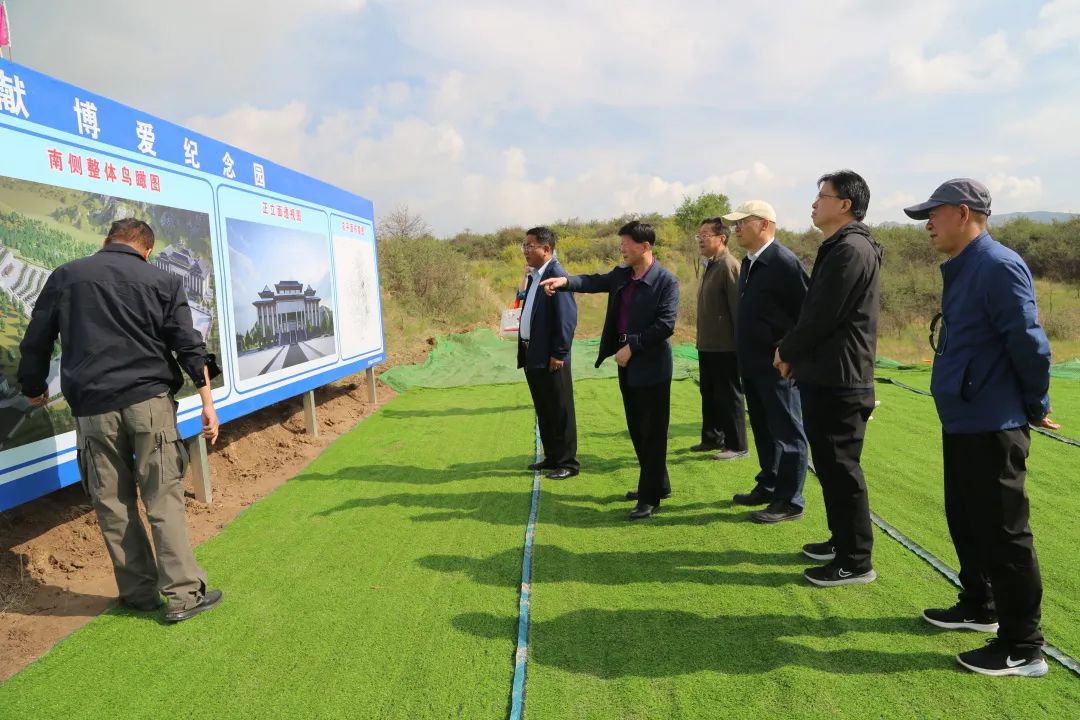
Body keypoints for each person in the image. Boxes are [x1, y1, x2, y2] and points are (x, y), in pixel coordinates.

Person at [18, 218, 223, 623]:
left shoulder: (67, 276)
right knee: (163, 497)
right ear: (146, 250)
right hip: (149, 403)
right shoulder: (162, 282)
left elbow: (37, 337)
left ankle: (138, 594)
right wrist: (207, 402)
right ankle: (183, 595)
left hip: (93, 410)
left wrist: (33, 386)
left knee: (112, 502)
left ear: (106, 241)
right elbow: (188, 346)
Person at [904, 179, 1055, 677]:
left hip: (994, 422)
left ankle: (1023, 647)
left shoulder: (997, 264)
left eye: (934, 214)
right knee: (965, 519)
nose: (927, 224)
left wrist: (1035, 404)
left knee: (1004, 534)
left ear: (963, 213)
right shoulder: (964, 268)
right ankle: (979, 606)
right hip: (964, 418)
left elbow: (1029, 343)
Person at [774, 170, 882, 587]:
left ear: (845, 205)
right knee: (832, 466)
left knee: (841, 468)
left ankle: (856, 561)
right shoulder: (840, 246)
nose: (814, 204)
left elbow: (823, 315)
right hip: (827, 373)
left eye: (822, 196)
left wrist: (787, 350)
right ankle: (842, 542)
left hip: (842, 378)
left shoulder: (851, 248)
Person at [540, 221, 679, 519]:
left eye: (627, 243)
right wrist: (564, 282)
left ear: (645, 246)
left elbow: (666, 325)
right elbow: (593, 282)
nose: (622, 249)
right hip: (626, 364)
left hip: (651, 366)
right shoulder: (622, 276)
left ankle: (650, 497)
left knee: (653, 432)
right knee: (638, 430)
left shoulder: (666, 281)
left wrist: (633, 346)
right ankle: (658, 483)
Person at [721, 201, 809, 524]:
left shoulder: (784, 262)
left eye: (743, 222)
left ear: (764, 225)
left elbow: (807, 313)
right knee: (763, 429)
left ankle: (789, 501)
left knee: (788, 432)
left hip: (777, 366)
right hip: (753, 365)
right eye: (736, 223)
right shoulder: (749, 262)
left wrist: (787, 351)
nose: (737, 228)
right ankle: (769, 484)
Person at [518, 226, 579, 479]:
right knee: (544, 407)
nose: (526, 250)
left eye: (531, 246)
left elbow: (567, 319)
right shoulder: (535, 275)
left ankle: (568, 462)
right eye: (525, 245)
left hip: (552, 357)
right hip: (533, 353)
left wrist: (559, 353)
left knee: (560, 408)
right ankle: (552, 456)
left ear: (547, 249)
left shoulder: (557, 274)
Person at [692, 218, 748, 461]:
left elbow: (738, 310)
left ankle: (737, 445)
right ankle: (712, 437)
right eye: (699, 235)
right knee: (709, 392)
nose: (701, 239)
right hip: (708, 344)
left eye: (706, 234)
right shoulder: (710, 264)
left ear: (721, 238)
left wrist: (740, 346)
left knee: (729, 394)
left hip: (726, 347)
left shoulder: (729, 266)